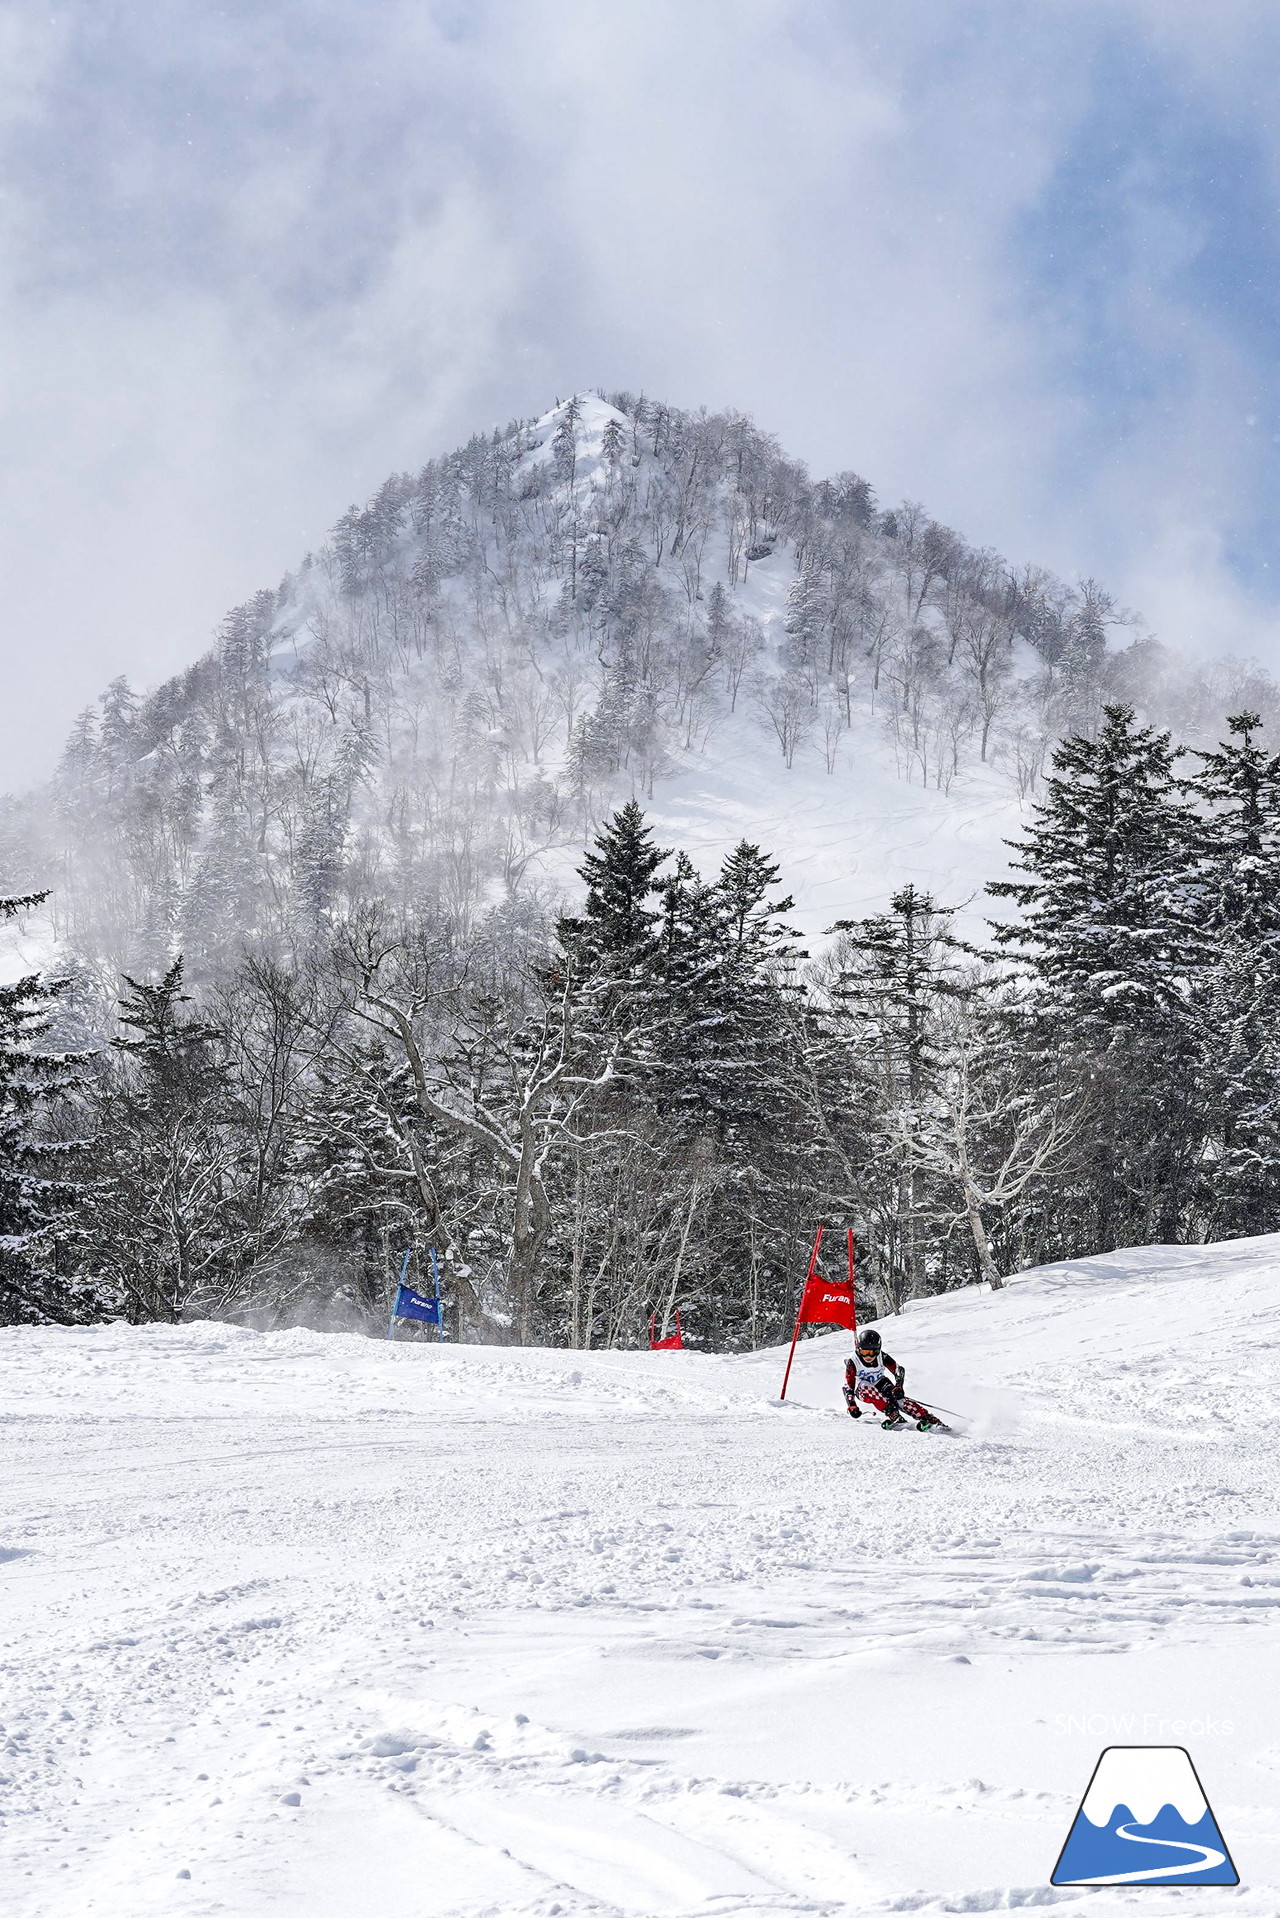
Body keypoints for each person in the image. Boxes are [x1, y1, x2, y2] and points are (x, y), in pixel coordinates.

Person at [843, 1327, 945, 1431]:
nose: (869, 1356)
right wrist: (852, 1405)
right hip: (861, 1390)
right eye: (865, 1352)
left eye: (873, 1352)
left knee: (898, 1399)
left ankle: (929, 1418)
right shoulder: (853, 1361)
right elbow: (848, 1386)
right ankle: (893, 1414)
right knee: (866, 1387)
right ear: (859, 1349)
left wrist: (898, 1386)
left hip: (880, 1382)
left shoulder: (882, 1357)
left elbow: (898, 1370)